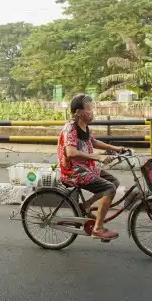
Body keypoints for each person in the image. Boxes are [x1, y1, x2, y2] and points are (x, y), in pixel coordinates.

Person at [57, 93, 124, 240]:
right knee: (109, 188)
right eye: (88, 108)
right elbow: (71, 152)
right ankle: (98, 229)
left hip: (87, 168)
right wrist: (98, 157)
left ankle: (85, 205)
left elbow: (93, 142)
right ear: (79, 113)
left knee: (114, 182)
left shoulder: (85, 127)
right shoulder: (71, 128)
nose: (92, 111)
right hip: (74, 172)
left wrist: (116, 148)